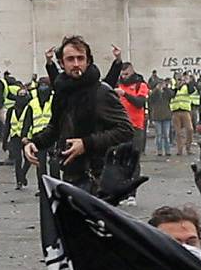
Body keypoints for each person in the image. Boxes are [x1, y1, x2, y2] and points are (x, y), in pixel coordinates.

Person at [23, 36, 136, 195]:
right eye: (70, 59)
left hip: (98, 177)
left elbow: (125, 130)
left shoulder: (101, 92)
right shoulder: (62, 92)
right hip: (71, 175)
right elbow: (55, 127)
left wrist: (86, 143)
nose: (76, 64)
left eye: (80, 58)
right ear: (62, 64)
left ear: (88, 61)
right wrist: (33, 142)